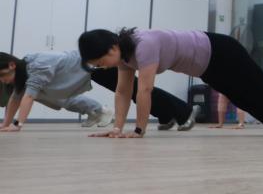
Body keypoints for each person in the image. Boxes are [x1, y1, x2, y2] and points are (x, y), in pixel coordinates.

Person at [77, 27, 263, 138]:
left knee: (260, 87)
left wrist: (139, 130)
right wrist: (117, 128)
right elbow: (123, 91)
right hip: (206, 67)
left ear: (112, 48)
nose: (102, 67)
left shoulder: (143, 45)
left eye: (101, 61)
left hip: (221, 51)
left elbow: (145, 90)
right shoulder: (124, 58)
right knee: (242, 97)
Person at [0, 50, 196, 132]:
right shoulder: (24, 70)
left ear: (11, 65)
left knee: (137, 90)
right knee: (135, 92)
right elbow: (16, 97)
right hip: (90, 69)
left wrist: (17, 124)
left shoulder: (36, 66)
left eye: (2, 75)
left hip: (96, 65)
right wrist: (6, 124)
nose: (2, 80)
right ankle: (166, 116)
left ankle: (185, 112)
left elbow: (28, 97)